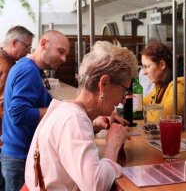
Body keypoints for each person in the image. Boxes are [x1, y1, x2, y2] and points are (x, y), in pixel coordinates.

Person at [23, 41, 138, 191]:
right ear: (104, 84)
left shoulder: (66, 110)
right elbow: (95, 186)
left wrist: (92, 127)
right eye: (124, 90)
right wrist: (112, 145)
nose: (123, 99)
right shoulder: (74, 120)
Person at [1, 30, 70, 191]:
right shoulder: (28, 71)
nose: (64, 59)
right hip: (19, 157)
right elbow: (18, 114)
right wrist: (56, 111)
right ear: (44, 44)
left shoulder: (31, 69)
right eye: (61, 52)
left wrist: (72, 107)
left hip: (16, 153)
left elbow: (49, 102)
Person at [141, 41, 186, 133]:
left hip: (184, 143)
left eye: (147, 66)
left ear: (162, 65)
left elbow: (163, 118)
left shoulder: (180, 85)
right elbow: (140, 105)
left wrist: (148, 110)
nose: (144, 72)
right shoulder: (161, 84)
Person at [0, 25, 34, 191]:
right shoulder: (6, 67)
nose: (28, 52)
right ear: (14, 42)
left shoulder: (9, 62)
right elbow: (8, 107)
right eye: (26, 46)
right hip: (7, 140)